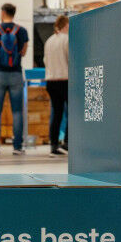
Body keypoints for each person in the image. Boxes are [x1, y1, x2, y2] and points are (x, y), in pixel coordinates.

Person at [0, 3, 29, 155]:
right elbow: (23, 52)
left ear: (3, 12)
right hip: (16, 74)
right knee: (17, 111)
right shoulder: (22, 31)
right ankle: (17, 147)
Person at [44, 15, 69, 157]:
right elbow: (71, 59)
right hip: (65, 80)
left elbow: (45, 60)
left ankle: (53, 145)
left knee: (56, 114)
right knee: (71, 113)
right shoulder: (67, 39)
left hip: (51, 81)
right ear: (66, 25)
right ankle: (67, 143)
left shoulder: (49, 40)